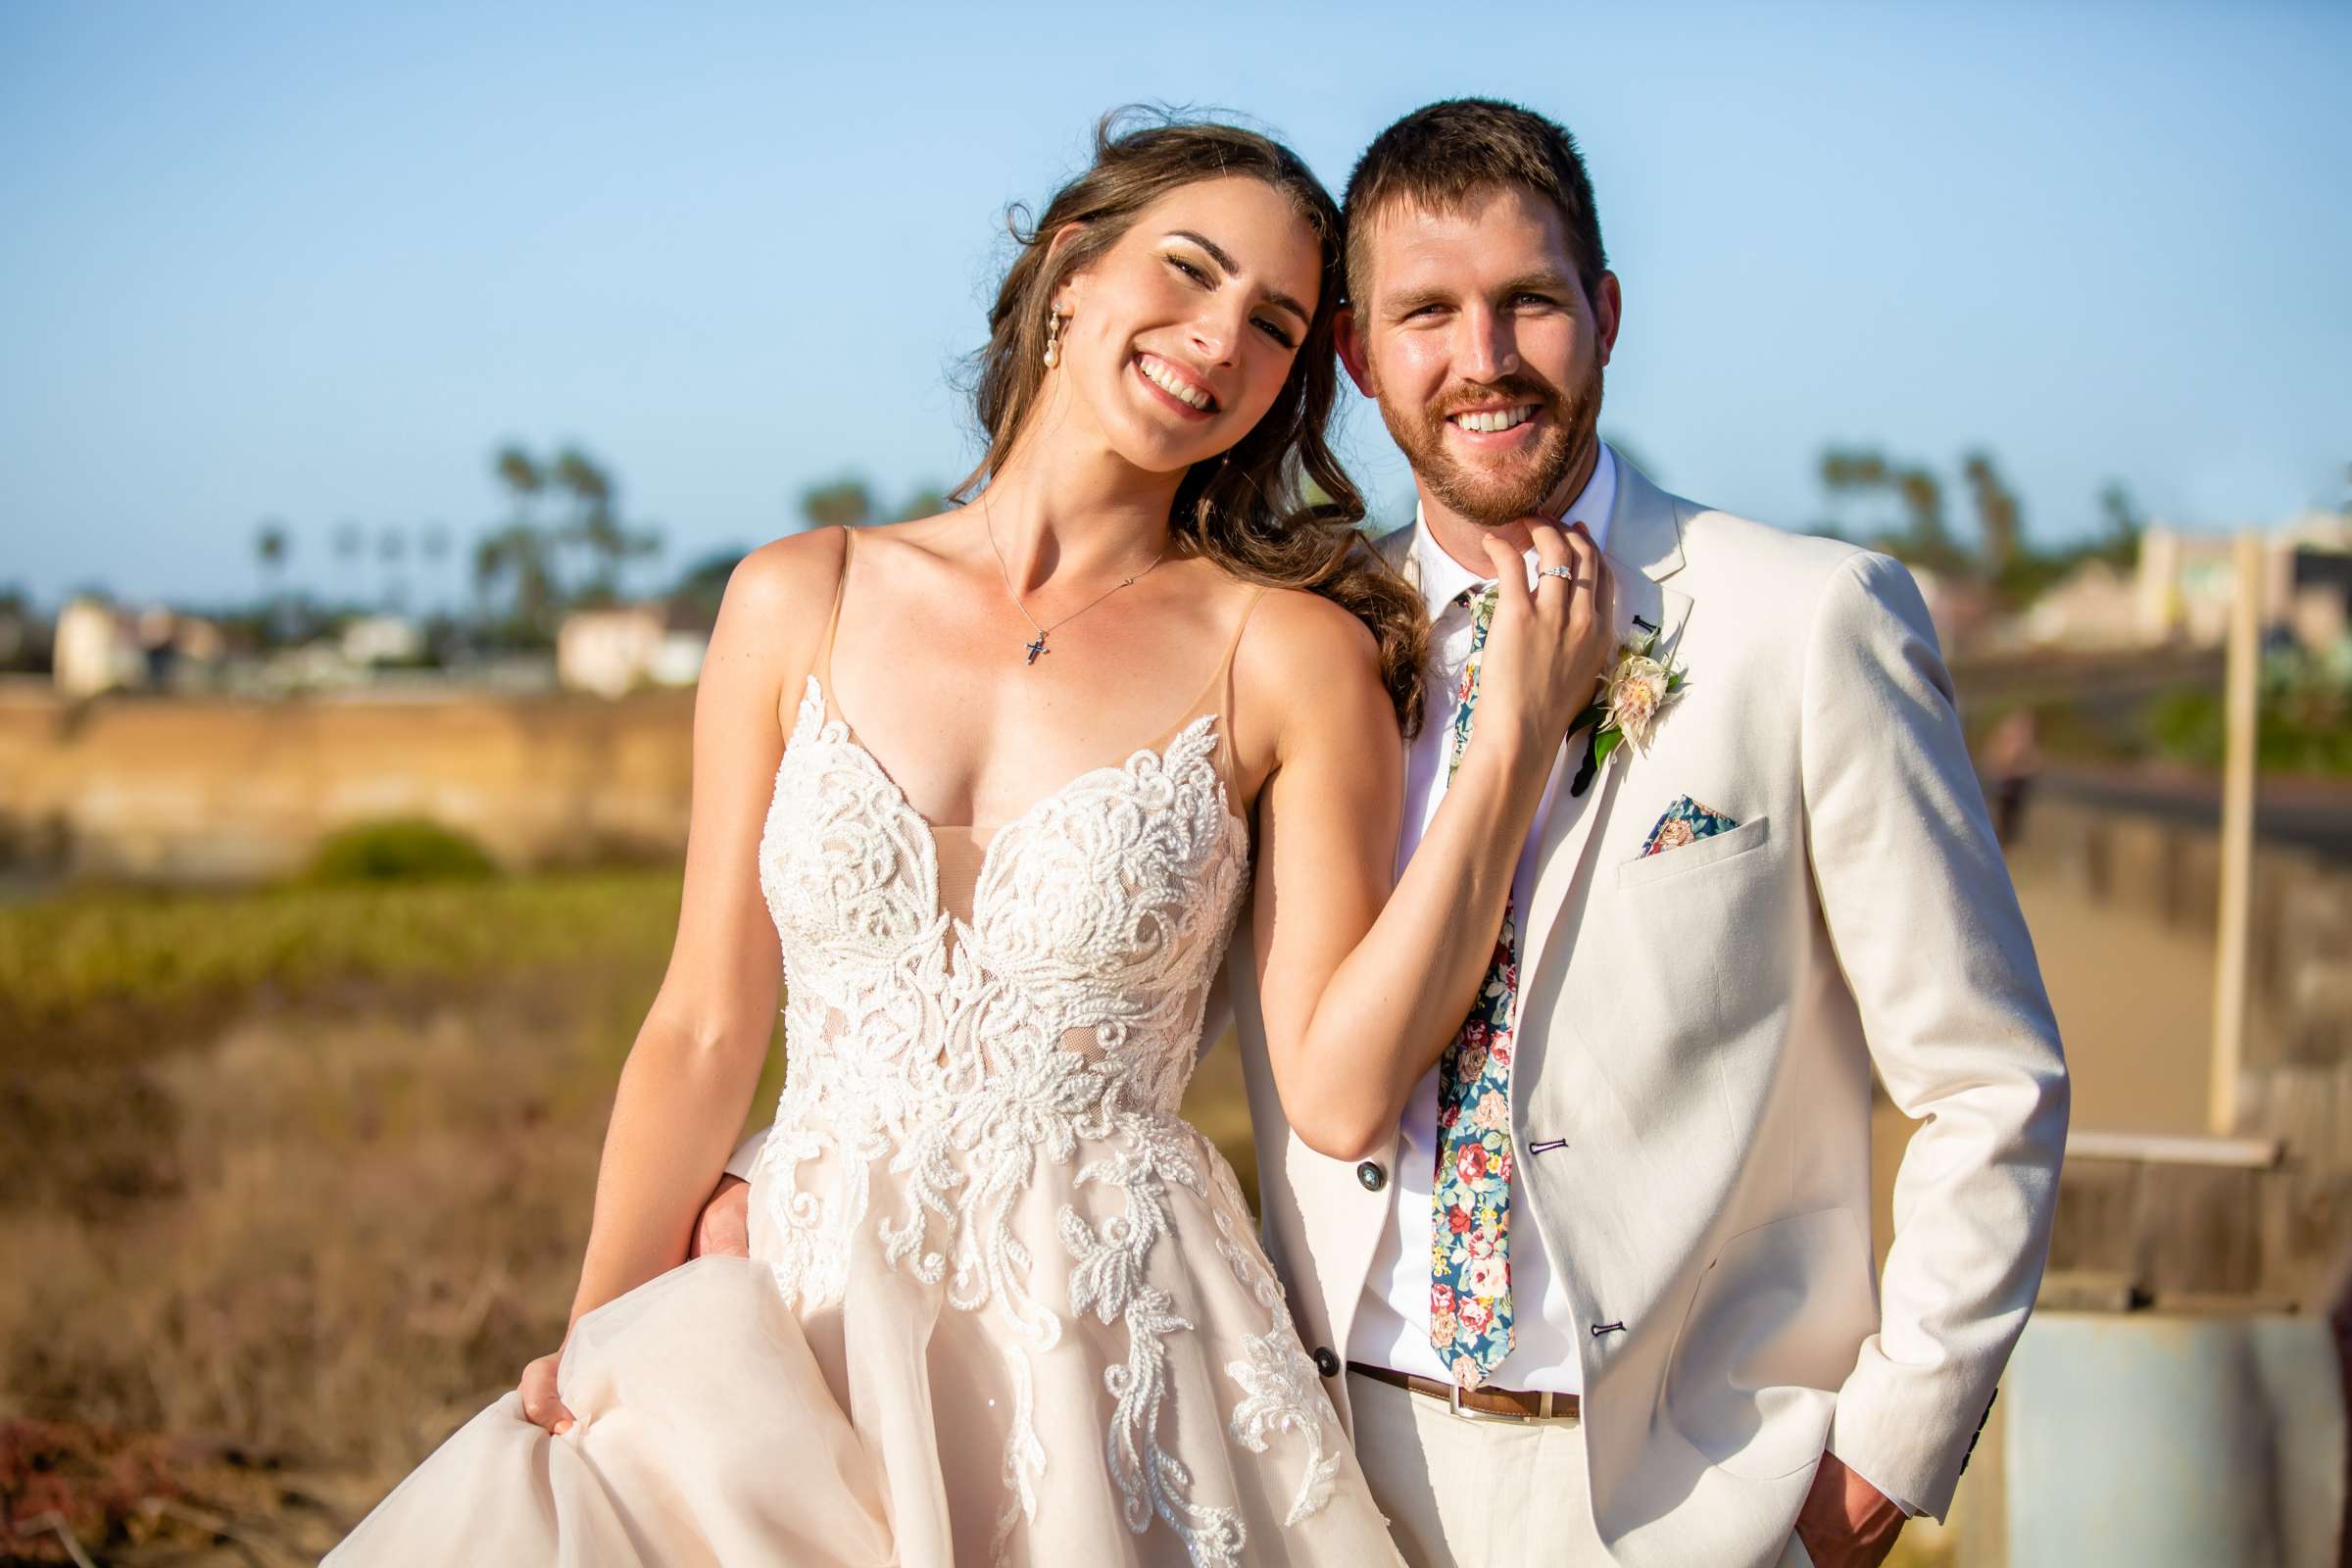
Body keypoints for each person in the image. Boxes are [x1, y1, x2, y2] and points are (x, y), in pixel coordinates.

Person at [705, 98, 2074, 1568]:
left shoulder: (1804, 622)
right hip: (1318, 1456)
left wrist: (1879, 1462)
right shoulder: (1297, 643)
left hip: (1684, 1488)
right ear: (1359, 356)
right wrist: (793, 1180)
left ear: (1604, 315)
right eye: (1427, 313)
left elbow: (1988, 1079)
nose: (1481, 360)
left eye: (1529, 303)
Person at [326, 112, 1617, 1566]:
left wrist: (1509, 743)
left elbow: (1337, 1083)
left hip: (1105, 1345)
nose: (1214, 341)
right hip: (792, 1315)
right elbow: (702, 1021)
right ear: (1069, 268)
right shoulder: (793, 596)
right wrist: (602, 1330)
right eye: (1185, 273)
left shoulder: (1290, 656)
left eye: (1270, 326)